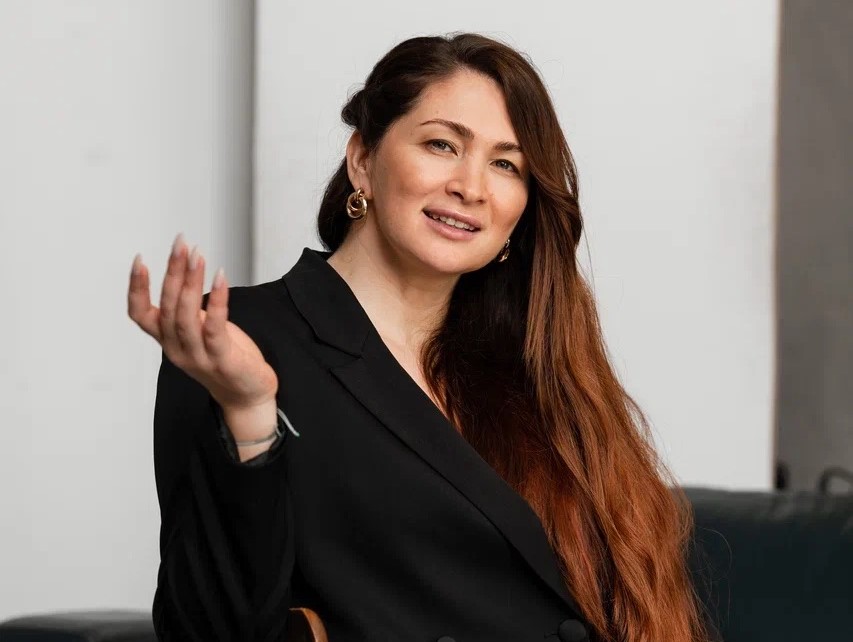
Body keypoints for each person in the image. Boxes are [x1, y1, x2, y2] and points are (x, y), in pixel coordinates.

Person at [127, 33, 714, 642]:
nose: (471, 186)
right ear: (363, 160)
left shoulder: (530, 364)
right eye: (442, 145)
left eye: (506, 164)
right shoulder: (238, 338)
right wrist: (250, 413)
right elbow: (208, 630)